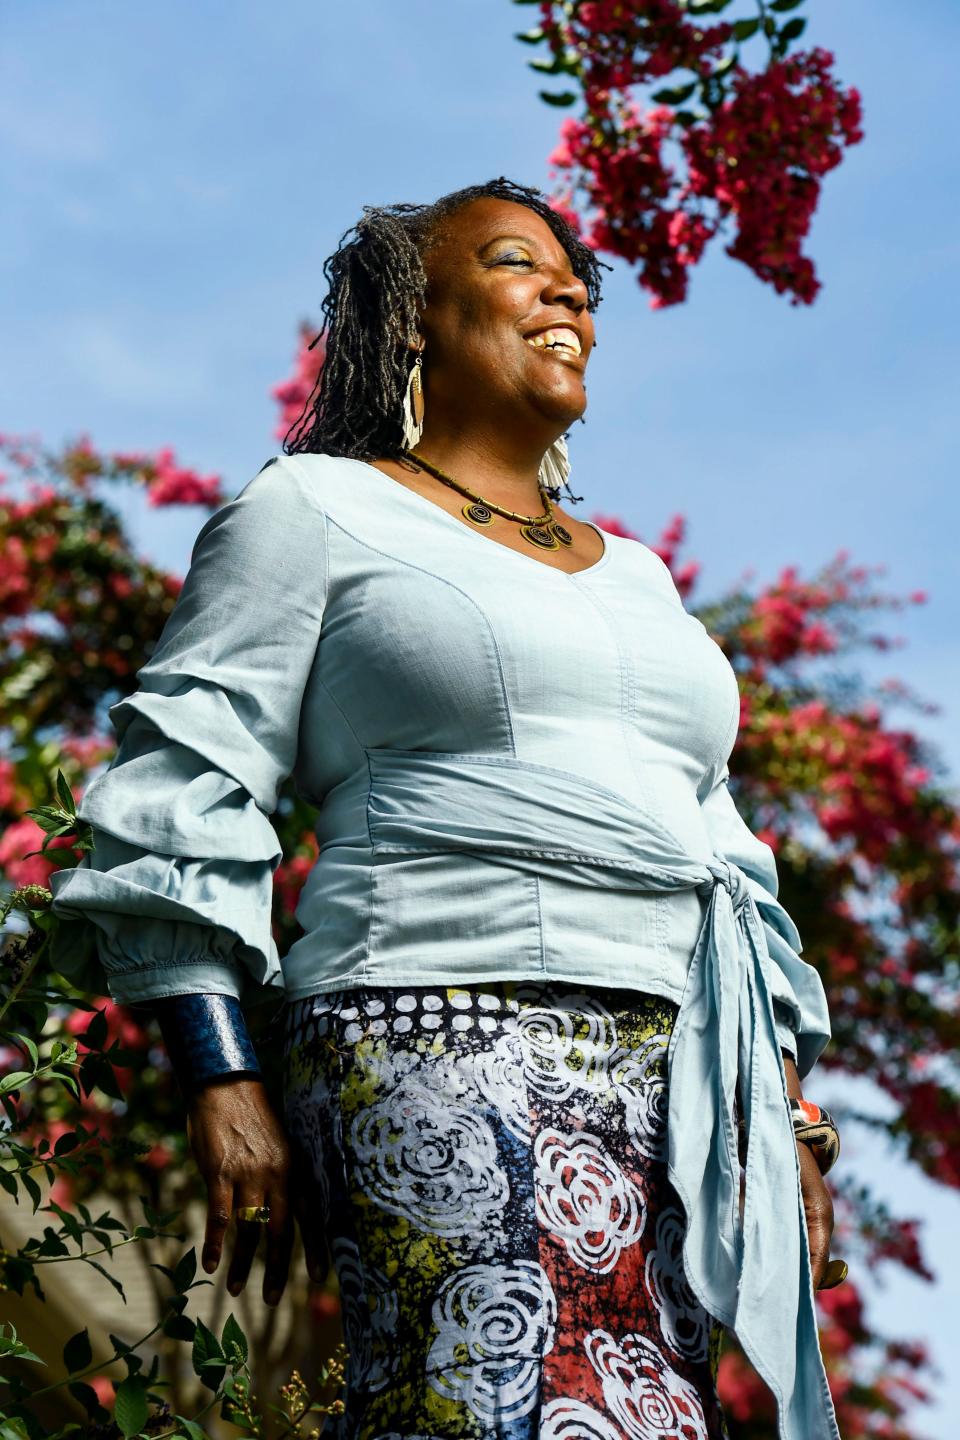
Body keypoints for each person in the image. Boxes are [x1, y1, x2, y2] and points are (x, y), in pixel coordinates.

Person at [49, 176, 845, 1440]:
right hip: (432, 1023)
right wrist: (220, 1070)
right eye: (519, 263)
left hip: (676, 1072)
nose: (569, 287)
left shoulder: (639, 578)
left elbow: (724, 854)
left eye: (576, 273)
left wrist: (785, 1110)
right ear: (417, 318)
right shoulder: (313, 511)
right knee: (500, 1404)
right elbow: (182, 783)